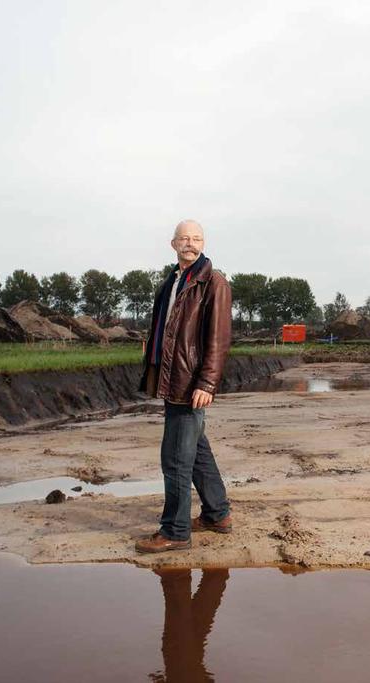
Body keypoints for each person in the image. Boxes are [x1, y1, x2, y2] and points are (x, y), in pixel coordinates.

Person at [135, 219, 233, 553]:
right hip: (173, 378)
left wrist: (207, 382)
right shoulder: (174, 280)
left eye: (196, 239)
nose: (190, 244)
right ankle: (217, 514)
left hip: (191, 382)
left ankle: (175, 531)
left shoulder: (213, 283)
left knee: (175, 458)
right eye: (184, 239)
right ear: (173, 243)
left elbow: (218, 340)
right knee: (196, 450)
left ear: (203, 243)